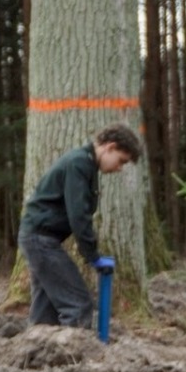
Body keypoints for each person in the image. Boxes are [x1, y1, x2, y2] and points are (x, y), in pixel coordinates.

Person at [19, 123, 143, 328]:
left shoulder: (85, 164)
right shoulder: (79, 164)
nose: (119, 168)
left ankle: (40, 345)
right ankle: (75, 348)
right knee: (78, 304)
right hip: (40, 240)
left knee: (46, 309)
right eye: (121, 161)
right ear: (110, 147)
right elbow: (78, 215)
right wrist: (92, 255)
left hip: (38, 238)